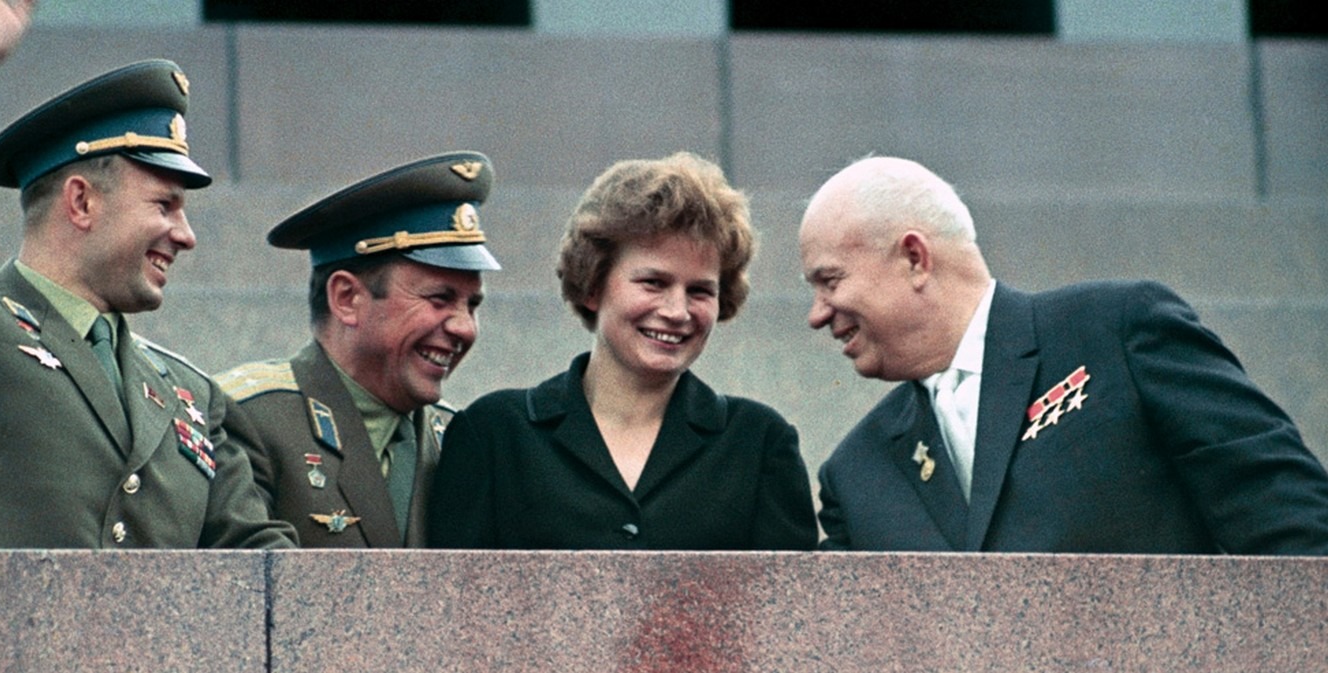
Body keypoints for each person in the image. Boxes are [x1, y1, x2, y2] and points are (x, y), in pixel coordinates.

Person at [799, 155, 1328, 554]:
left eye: (830, 281)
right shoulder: (856, 473)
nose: (817, 315)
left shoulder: (1116, 334)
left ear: (915, 258)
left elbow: (1292, 525)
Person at [0, 0, 297, 549]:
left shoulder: (193, 396)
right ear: (81, 201)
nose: (186, 235)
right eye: (165, 206)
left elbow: (265, 571)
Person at [427, 151, 818, 550]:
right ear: (593, 285)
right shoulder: (493, 434)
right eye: (653, 283)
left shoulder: (760, 443)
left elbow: (793, 607)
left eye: (699, 290)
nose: (677, 312)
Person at [216, 152, 500, 547]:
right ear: (347, 298)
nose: (464, 327)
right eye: (439, 299)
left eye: (472, 305)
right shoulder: (249, 417)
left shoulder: (457, 440)